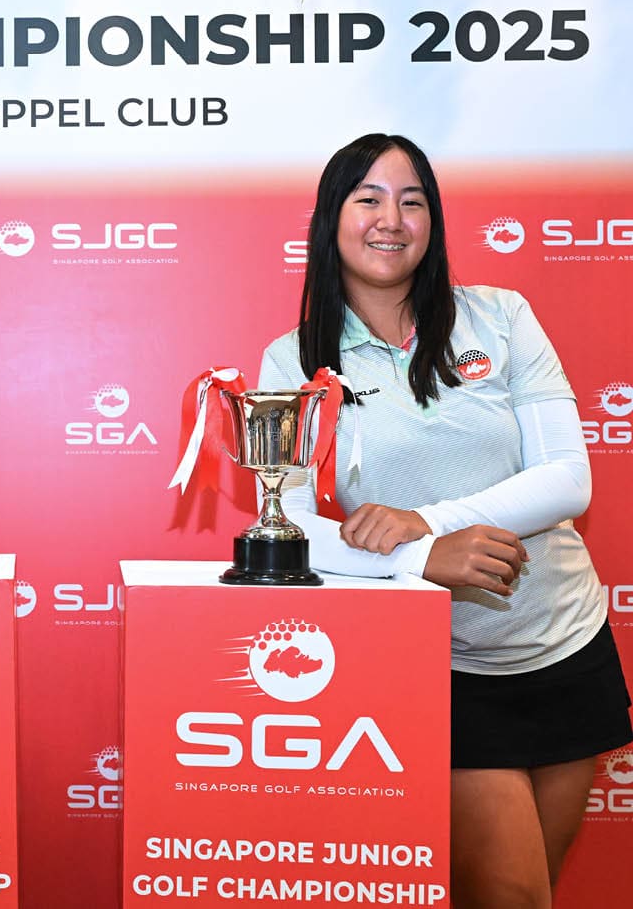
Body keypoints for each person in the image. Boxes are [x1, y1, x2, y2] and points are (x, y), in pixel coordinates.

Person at [257, 133, 631, 908]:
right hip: (438, 664)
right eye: (368, 198)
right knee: (513, 895)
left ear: (433, 220)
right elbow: (286, 525)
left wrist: (425, 525)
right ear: (332, 219)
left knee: (540, 892)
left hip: (565, 640)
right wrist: (417, 560)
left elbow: (567, 478)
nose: (391, 218)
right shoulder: (292, 362)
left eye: (413, 200)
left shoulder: (501, 318)